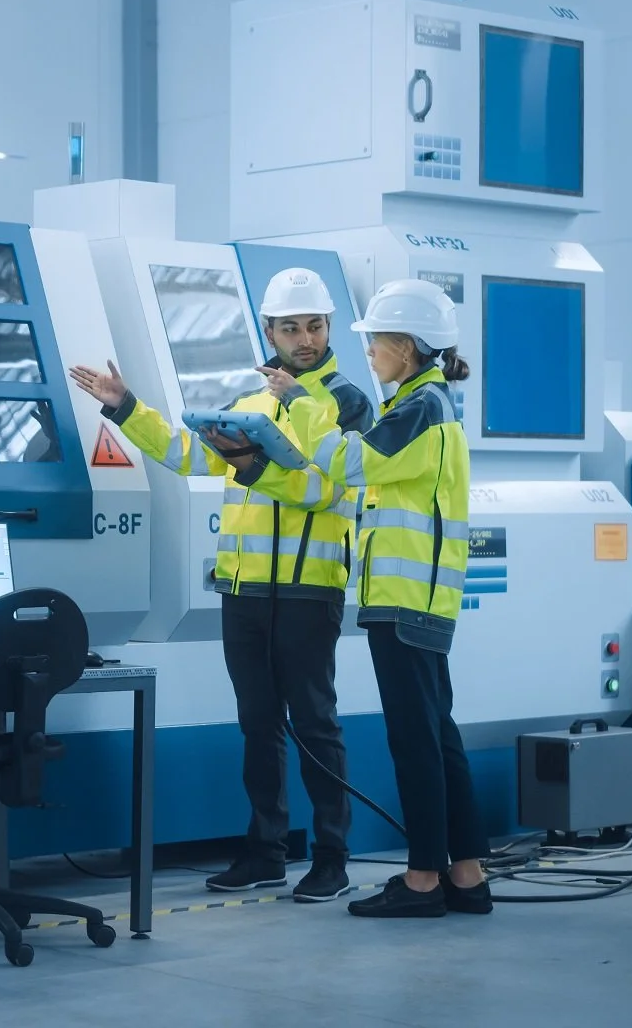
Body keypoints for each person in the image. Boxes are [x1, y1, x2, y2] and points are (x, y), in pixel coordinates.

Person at [69, 267, 372, 903]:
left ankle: (332, 857)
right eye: (291, 328)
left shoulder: (345, 403)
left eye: (315, 326)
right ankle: (264, 850)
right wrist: (125, 406)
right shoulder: (247, 406)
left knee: (315, 724)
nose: (305, 338)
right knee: (258, 724)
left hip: (310, 587)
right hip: (244, 589)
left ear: (328, 328)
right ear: (270, 332)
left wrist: (256, 467)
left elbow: (334, 490)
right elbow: (185, 454)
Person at [241, 279, 490, 918]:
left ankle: (425, 881)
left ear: (406, 347)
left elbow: (349, 463)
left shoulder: (418, 407)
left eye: (376, 340)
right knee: (438, 737)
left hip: (404, 600)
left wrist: (299, 404)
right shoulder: (428, 402)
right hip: (420, 599)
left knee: (416, 741)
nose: (370, 352)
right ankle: (466, 873)